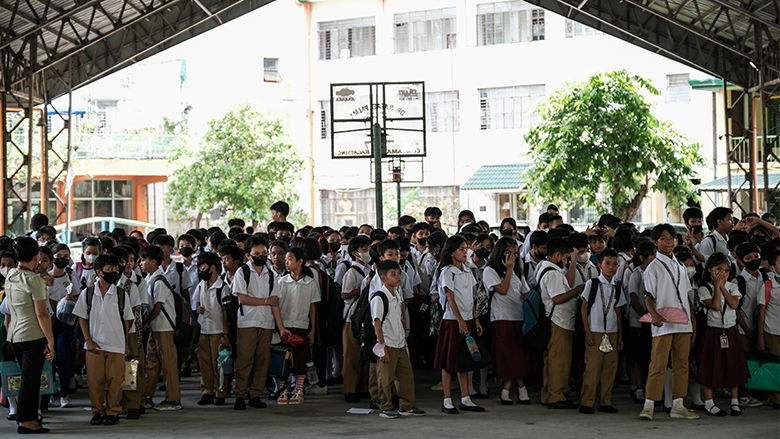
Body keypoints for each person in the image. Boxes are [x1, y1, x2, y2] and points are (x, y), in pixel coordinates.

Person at [640, 224, 699, 421]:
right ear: (655, 242)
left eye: (671, 238)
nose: (669, 242)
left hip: (683, 322)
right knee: (658, 363)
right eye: (663, 238)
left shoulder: (680, 266)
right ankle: (649, 405)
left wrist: (692, 319)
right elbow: (648, 295)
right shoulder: (653, 267)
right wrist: (654, 315)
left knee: (681, 364)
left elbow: (686, 295)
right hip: (663, 322)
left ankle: (678, 405)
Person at [73, 254, 134, 426]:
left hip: (117, 344)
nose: (114, 272)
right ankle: (97, 411)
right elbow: (81, 317)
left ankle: (113, 411)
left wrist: (126, 343)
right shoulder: (88, 293)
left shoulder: (121, 294)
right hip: (94, 344)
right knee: (95, 381)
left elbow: (127, 319)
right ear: (99, 272)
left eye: (116, 269)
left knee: (115, 381)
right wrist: (88, 339)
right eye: (110, 269)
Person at [6, 237, 55, 434]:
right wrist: (51, 341)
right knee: (31, 380)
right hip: (32, 336)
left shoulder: (11, 275)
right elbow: (42, 314)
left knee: (27, 379)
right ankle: (26, 421)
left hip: (15, 336)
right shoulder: (34, 281)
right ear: (35, 257)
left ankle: (25, 417)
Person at [434, 235, 485, 414]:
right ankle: (447, 399)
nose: (466, 252)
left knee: (464, 360)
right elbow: (450, 297)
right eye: (462, 249)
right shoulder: (447, 272)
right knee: (448, 361)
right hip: (451, 320)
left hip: (467, 319)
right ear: (451, 253)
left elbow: (470, 298)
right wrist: (460, 321)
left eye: (466, 249)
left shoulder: (467, 270)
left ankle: (465, 398)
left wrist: (475, 319)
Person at [696, 253, 749, 416]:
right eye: (719, 269)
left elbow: (734, 304)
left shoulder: (733, 286)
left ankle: (734, 400)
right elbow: (717, 306)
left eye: (726, 270)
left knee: (733, 364)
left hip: (731, 330)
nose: (723, 273)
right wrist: (717, 287)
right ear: (710, 270)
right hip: (713, 331)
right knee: (710, 365)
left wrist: (723, 286)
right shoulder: (704, 288)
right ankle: (709, 402)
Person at [372, 260, 425, 419]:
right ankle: (385, 406)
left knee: (406, 376)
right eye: (393, 274)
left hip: (400, 342)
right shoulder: (379, 297)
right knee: (385, 378)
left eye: (398, 274)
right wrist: (382, 346)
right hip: (388, 342)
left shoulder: (397, 293)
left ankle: (406, 405)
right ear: (383, 277)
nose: (398, 277)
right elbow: (377, 322)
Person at [482, 237, 531, 405]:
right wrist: (509, 269)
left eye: (515, 253)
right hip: (502, 316)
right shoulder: (490, 270)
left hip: (519, 316)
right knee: (506, 355)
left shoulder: (519, 269)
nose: (512, 257)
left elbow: (525, 291)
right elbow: (502, 289)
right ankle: (515, 387)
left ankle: (510, 387)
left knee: (520, 354)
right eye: (508, 253)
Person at [270, 247, 321, 405]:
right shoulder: (281, 282)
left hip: (302, 325)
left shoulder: (311, 283)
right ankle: (282, 390)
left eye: (290, 259)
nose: (286, 262)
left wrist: (312, 330)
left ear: (300, 261)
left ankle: (298, 390)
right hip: (285, 326)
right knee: (283, 360)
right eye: (285, 260)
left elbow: (313, 308)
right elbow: (276, 305)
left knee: (300, 359)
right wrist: (279, 327)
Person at [538, 237, 584, 409]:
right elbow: (557, 298)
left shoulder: (546, 268)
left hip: (558, 321)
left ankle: (549, 393)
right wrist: (577, 290)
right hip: (558, 321)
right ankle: (556, 396)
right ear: (558, 256)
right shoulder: (553, 274)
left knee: (552, 360)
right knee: (559, 361)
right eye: (566, 258)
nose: (566, 261)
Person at [231, 236, 276, 410]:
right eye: (257, 253)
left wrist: (280, 327)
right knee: (245, 360)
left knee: (262, 360)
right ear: (248, 255)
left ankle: (255, 394)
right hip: (247, 322)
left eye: (264, 253)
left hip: (266, 322)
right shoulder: (242, 272)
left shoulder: (270, 274)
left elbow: (276, 302)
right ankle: (240, 394)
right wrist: (265, 301)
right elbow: (243, 298)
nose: (261, 256)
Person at [579, 249, 625, 414]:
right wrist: (588, 332)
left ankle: (605, 401)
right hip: (595, 330)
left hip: (611, 332)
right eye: (607, 263)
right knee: (592, 368)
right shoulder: (592, 284)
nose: (611, 267)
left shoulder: (617, 286)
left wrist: (620, 335)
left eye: (615, 264)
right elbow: (584, 309)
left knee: (610, 369)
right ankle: (587, 401)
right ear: (599, 265)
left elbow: (618, 311)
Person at [140, 245, 181, 411]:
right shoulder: (150, 279)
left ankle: (173, 399)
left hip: (163, 327)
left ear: (153, 262)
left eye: (143, 260)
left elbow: (157, 307)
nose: (140, 263)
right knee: (152, 362)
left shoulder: (159, 281)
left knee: (168, 365)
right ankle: (147, 396)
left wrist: (146, 322)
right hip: (155, 328)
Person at [192, 252, 231, 407]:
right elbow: (195, 303)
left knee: (219, 363)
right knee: (205, 362)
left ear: (213, 268)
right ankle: (206, 391)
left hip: (217, 330)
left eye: (203, 267)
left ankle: (220, 391)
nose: (201, 271)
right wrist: (198, 309)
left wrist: (224, 333)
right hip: (204, 329)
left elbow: (225, 312)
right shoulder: (201, 284)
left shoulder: (222, 287)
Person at [47, 243, 79, 409]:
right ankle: (49, 392)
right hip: (47, 323)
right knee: (49, 358)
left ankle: (64, 393)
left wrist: (69, 300)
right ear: (52, 257)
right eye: (59, 257)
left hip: (65, 323)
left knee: (64, 357)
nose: (62, 260)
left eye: (66, 257)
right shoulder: (45, 278)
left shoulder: (71, 278)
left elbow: (78, 300)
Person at [341, 235, 371, 403]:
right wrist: (363, 289)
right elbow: (344, 295)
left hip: (365, 318)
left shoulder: (369, 269)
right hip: (351, 318)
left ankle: (364, 387)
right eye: (364, 250)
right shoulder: (352, 272)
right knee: (351, 355)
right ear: (354, 253)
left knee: (365, 354)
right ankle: (350, 390)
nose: (367, 253)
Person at [626, 240, 655, 403]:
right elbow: (633, 297)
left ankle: (649, 386)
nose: (654, 257)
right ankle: (637, 387)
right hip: (638, 322)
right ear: (642, 257)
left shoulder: (656, 272)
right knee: (635, 356)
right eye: (651, 255)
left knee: (649, 356)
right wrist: (645, 315)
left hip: (652, 321)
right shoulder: (636, 274)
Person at [758, 249, 780, 408]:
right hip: (772, 331)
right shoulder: (768, 286)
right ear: (773, 268)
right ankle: (776, 397)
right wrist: (761, 337)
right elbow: (761, 312)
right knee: (775, 365)